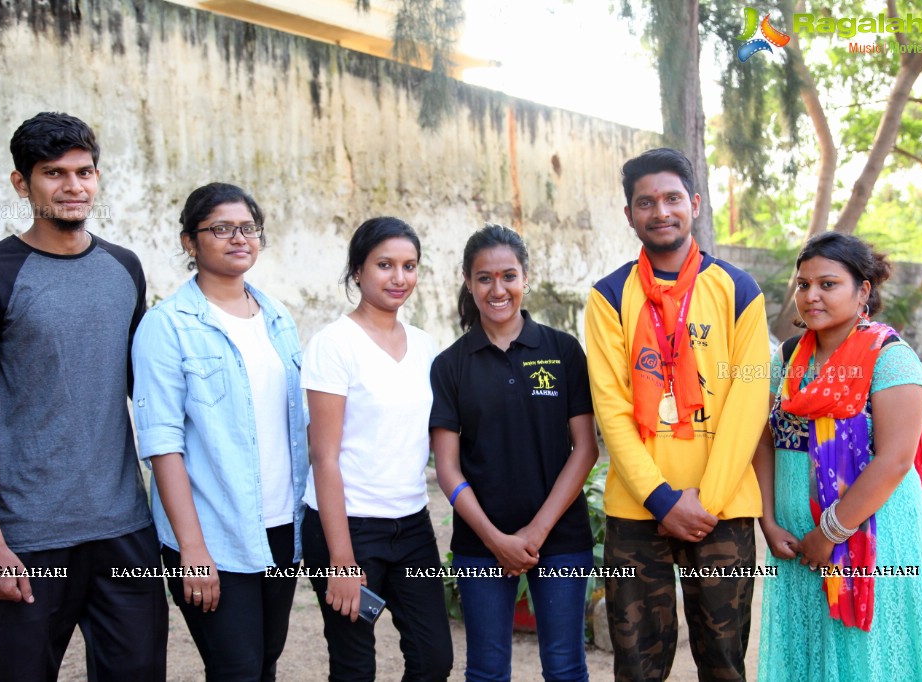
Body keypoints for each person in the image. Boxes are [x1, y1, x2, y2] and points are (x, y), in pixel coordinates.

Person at [0, 112, 167, 681]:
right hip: (30, 536)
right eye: (54, 173)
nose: (74, 187)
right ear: (22, 184)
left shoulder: (124, 268)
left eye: (85, 171)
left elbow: (141, 392)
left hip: (125, 527)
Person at [584, 148, 770, 681]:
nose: (660, 211)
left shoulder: (739, 290)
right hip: (638, 511)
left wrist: (703, 502)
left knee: (725, 666)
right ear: (629, 215)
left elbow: (749, 399)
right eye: (646, 203)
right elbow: (611, 408)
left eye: (671, 198)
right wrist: (664, 500)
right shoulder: (609, 296)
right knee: (637, 669)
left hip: (723, 511)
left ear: (693, 202)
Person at [754, 232, 922, 680]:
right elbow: (764, 440)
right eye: (804, 284)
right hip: (793, 544)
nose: (811, 296)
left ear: (863, 290)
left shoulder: (891, 358)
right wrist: (768, 521)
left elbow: (894, 461)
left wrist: (829, 533)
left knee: (868, 662)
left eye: (828, 284)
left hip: (872, 542)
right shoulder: (786, 359)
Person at [131, 183, 309, 680]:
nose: (239, 238)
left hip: (279, 528)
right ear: (190, 242)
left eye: (248, 228)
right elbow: (162, 444)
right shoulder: (167, 326)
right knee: (237, 670)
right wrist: (192, 550)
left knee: (265, 664)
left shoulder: (277, 317)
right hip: (211, 536)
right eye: (221, 229)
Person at [430, 224, 599, 681]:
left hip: (561, 540)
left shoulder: (562, 350)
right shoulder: (451, 364)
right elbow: (446, 467)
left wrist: (536, 532)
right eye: (484, 278)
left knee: (565, 667)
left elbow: (585, 449)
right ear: (468, 282)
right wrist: (495, 540)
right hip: (479, 545)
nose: (497, 288)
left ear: (526, 277)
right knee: (485, 671)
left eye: (508, 275)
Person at [301, 217, 453, 681]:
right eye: (385, 265)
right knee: (355, 669)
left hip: (411, 527)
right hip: (349, 529)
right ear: (358, 271)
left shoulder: (426, 346)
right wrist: (342, 561)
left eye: (409, 266)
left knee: (433, 660)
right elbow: (323, 456)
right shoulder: (333, 345)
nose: (399, 277)